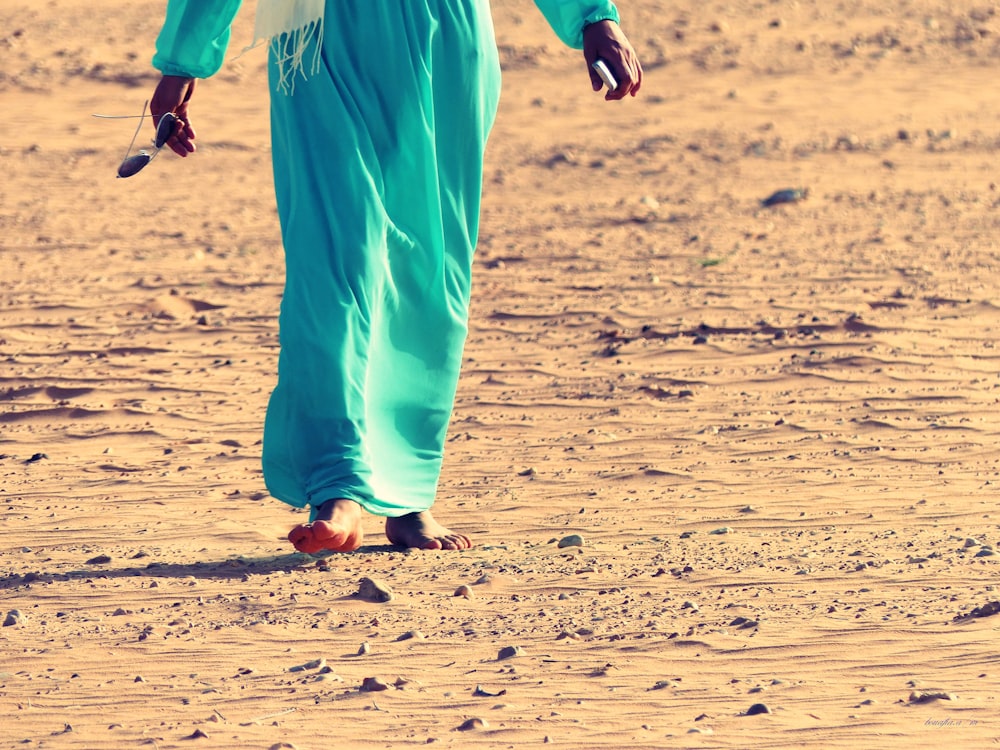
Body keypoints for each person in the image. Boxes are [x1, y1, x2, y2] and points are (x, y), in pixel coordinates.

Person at [146, 0, 642, 553]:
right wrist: (183, 59)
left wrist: (594, 16)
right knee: (333, 262)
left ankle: (405, 494)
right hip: (316, 34)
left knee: (429, 267)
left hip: (444, 37)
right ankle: (337, 483)